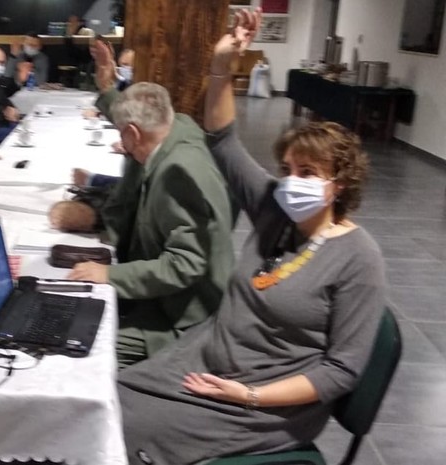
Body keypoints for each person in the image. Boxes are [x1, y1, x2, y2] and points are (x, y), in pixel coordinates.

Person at [117, 10, 387, 464]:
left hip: (264, 403)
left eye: (308, 173)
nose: (292, 181)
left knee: (125, 428)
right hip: (208, 358)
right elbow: (223, 141)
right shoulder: (275, 209)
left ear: (340, 184)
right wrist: (221, 64)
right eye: (288, 169)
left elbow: (342, 370)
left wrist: (249, 396)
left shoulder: (359, 259)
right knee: (106, 399)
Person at [60, 53, 235, 367]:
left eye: (122, 135)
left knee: (79, 346)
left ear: (132, 134)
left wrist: (110, 274)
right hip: (171, 299)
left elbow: (184, 264)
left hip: (182, 318)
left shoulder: (177, 173)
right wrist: (108, 90)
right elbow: (135, 118)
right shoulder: (177, 127)